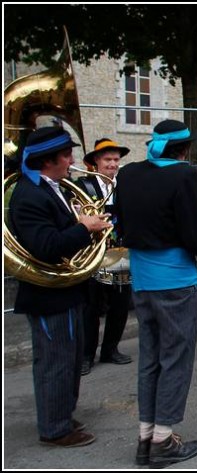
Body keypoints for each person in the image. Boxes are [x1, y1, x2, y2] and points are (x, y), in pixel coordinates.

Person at [115, 119, 197, 467]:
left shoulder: (129, 173)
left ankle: (146, 437)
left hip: (142, 281)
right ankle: (163, 442)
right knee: (175, 359)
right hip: (175, 282)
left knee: (150, 359)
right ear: (185, 148)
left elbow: (121, 222)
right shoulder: (184, 175)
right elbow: (194, 232)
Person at [9, 127, 112, 447]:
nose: (71, 160)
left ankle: (62, 414)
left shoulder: (52, 188)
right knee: (55, 362)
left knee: (68, 358)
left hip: (65, 291)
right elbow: (47, 245)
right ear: (48, 160)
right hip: (47, 295)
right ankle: (54, 428)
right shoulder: (30, 195)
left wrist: (85, 222)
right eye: (66, 155)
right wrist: (84, 227)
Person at [75, 138, 133, 376]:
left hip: (119, 251)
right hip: (93, 253)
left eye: (116, 160)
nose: (112, 164)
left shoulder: (125, 184)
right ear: (95, 162)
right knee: (92, 305)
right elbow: (76, 213)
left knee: (120, 303)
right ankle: (87, 354)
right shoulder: (83, 185)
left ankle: (110, 349)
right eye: (107, 159)